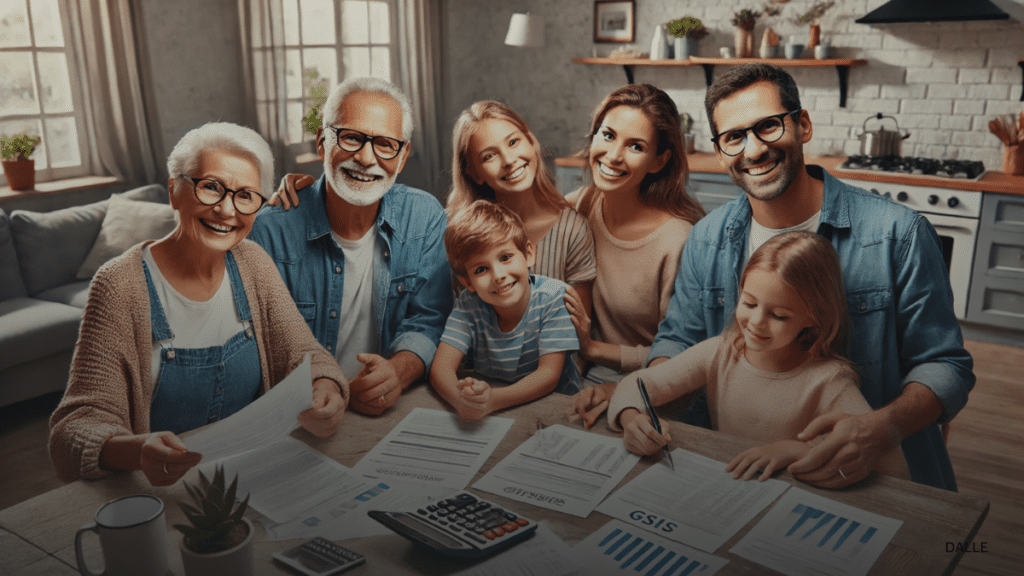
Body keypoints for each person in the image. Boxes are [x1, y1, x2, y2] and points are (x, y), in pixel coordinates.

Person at [647, 63, 973, 491]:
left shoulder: (897, 234)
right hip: (739, 473)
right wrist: (645, 402)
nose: (754, 149)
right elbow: (678, 340)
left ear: (802, 124)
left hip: (872, 481)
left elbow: (945, 365)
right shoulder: (708, 237)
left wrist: (880, 428)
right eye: (734, 137)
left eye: (767, 126)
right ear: (720, 149)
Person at [49, 123, 348, 486]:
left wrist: (326, 388)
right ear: (175, 190)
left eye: (245, 195)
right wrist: (136, 450)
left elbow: (306, 354)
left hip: (253, 477)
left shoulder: (252, 261)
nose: (226, 210)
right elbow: (73, 430)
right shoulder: (120, 285)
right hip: (162, 496)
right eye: (211, 187)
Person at [607, 232, 909, 483]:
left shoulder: (828, 380)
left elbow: (892, 465)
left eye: (778, 315)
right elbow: (637, 385)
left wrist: (795, 450)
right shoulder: (720, 351)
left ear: (813, 318)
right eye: (749, 303)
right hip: (728, 484)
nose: (756, 323)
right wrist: (632, 418)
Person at [248, 77, 453, 416]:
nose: (366, 157)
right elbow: (259, 349)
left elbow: (428, 319)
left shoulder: (425, 217)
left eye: (386, 144)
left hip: (387, 410)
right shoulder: (268, 232)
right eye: (352, 137)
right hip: (299, 413)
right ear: (322, 142)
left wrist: (397, 374)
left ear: (401, 158)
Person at [563, 84, 705, 405]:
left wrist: (594, 349)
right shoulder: (578, 206)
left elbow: (686, 358)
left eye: (636, 146)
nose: (613, 156)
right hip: (582, 373)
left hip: (653, 388)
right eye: (608, 135)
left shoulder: (677, 240)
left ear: (659, 161)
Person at [430, 201, 581, 420]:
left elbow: (549, 375)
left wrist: (493, 400)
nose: (498, 275)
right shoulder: (469, 304)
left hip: (557, 411)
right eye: (481, 269)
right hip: (497, 412)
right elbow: (441, 368)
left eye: (505, 257)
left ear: (528, 254)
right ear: (467, 282)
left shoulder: (552, 296)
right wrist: (462, 401)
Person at [446, 101, 596, 311]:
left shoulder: (572, 231)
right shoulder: (461, 234)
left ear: (531, 141)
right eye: (489, 156)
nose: (508, 160)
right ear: (475, 174)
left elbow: (578, 329)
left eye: (514, 142)